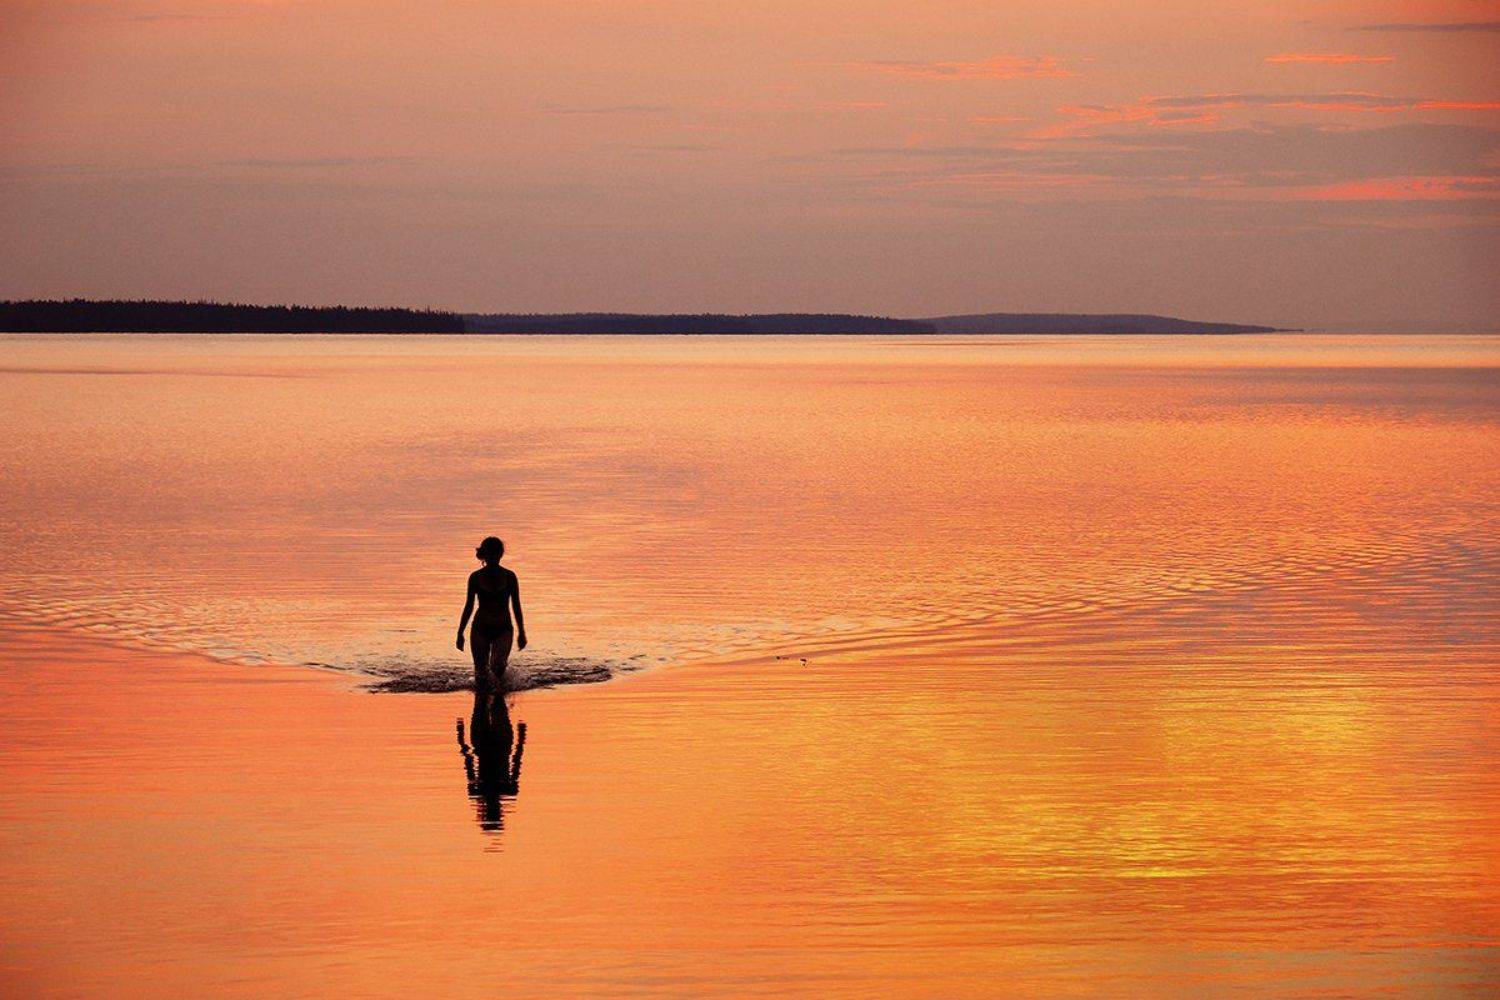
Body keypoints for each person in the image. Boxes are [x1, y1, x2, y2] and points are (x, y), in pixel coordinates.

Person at [456, 536, 527, 692]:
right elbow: (468, 606)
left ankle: (498, 704)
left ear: (500, 555)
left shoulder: (510, 577)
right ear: (484, 555)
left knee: (498, 667)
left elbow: (516, 605)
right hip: (480, 628)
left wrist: (522, 632)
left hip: (503, 629)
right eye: (490, 554)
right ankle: (481, 708)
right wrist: (460, 633)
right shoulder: (475, 577)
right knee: (480, 674)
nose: (493, 558)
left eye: (496, 554)